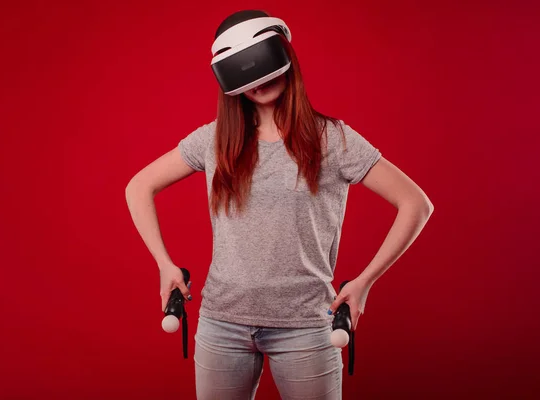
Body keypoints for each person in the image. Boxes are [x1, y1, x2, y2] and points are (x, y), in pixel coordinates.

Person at [125, 9, 434, 400]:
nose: (258, 77)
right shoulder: (215, 140)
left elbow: (415, 203)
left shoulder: (332, 139)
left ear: (283, 57)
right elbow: (138, 187)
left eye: (263, 61)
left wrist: (364, 283)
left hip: (306, 325)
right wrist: (164, 265)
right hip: (223, 323)